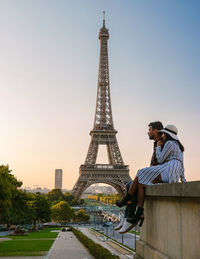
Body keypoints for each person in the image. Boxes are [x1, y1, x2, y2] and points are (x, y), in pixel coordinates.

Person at [118, 124, 186, 234]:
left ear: (167, 134)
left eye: (164, 133)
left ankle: (127, 200)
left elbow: (160, 159)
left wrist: (158, 146)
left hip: (168, 169)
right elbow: (182, 165)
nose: (162, 135)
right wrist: (183, 180)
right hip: (172, 172)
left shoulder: (169, 143)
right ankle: (139, 212)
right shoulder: (178, 146)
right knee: (141, 182)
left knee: (140, 173)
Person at [115, 121, 164, 231]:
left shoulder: (161, 143)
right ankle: (128, 216)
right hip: (153, 173)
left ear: (155, 131)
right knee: (129, 184)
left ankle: (130, 214)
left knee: (135, 183)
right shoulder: (157, 142)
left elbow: (162, 162)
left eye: (149, 130)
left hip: (158, 175)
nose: (148, 132)